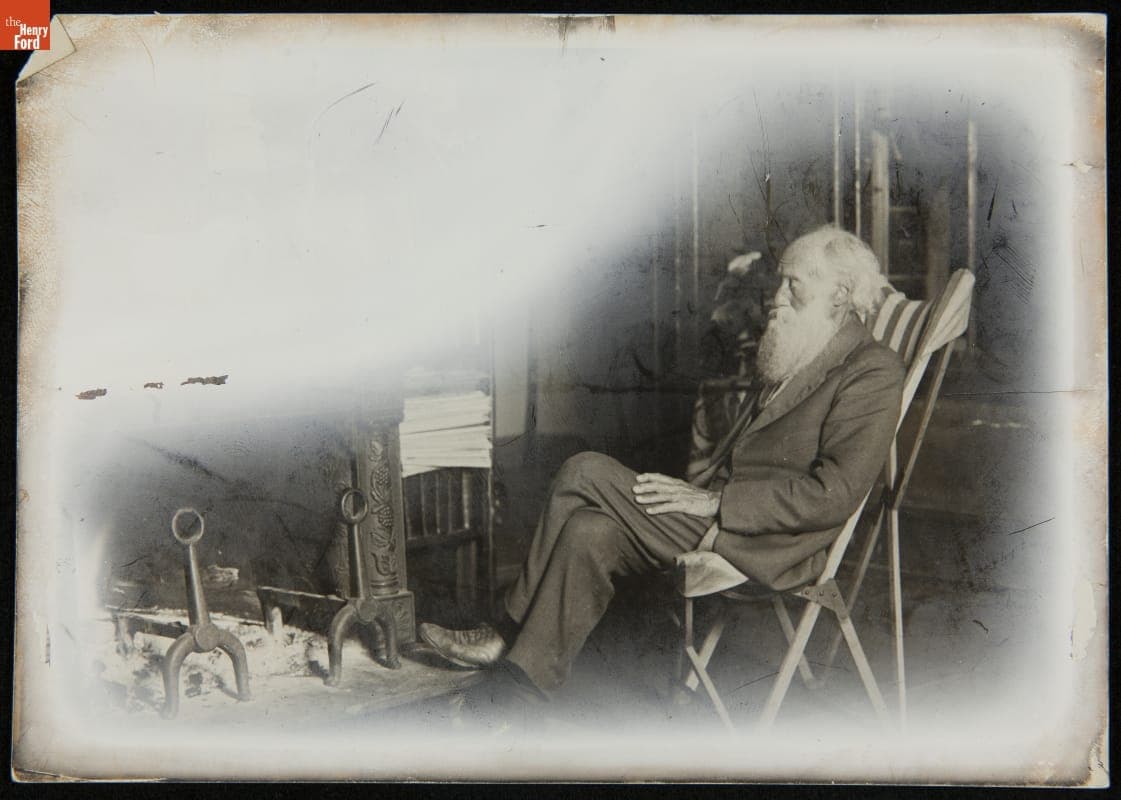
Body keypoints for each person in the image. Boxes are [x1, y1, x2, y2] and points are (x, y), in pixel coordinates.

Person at [419, 224, 904, 714]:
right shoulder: (806, 349)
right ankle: (522, 689)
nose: (776, 297)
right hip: (726, 518)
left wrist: (715, 501)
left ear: (839, 293)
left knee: (582, 470)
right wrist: (701, 493)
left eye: (793, 283)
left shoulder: (873, 370)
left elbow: (834, 494)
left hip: (769, 543)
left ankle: (505, 629)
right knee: (589, 531)